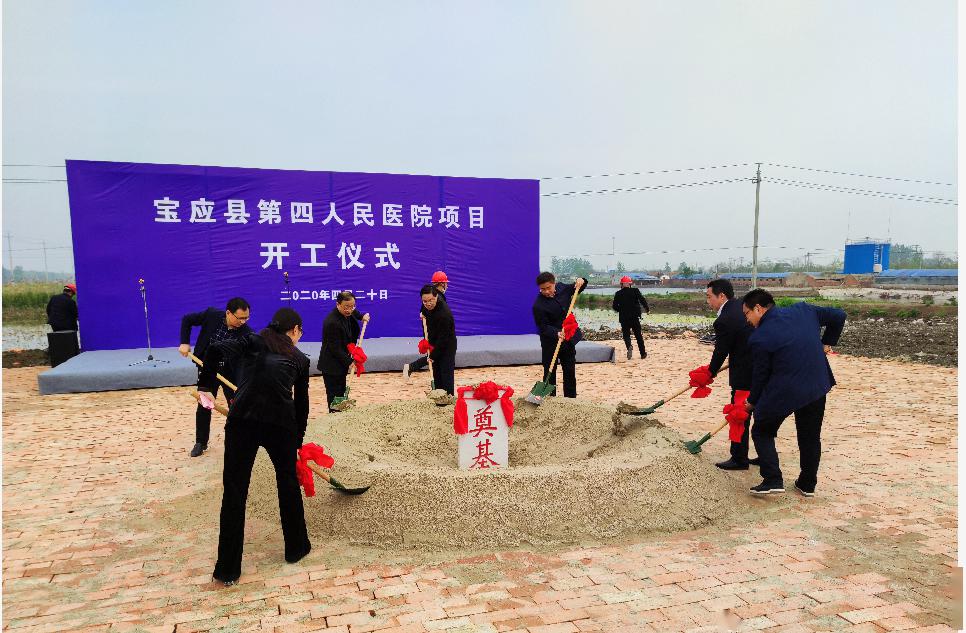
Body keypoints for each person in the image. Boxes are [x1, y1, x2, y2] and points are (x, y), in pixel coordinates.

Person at [196, 307, 311, 586]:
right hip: (279, 425)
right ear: (294, 330)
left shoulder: (252, 340)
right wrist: (297, 441)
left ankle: (227, 569)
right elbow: (301, 406)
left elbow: (212, 350)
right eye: (300, 332)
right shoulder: (299, 358)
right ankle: (296, 548)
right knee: (287, 487)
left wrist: (206, 386)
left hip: (242, 423)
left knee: (234, 493)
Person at [741, 289, 846, 496]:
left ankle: (773, 479)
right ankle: (807, 484)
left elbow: (761, 376)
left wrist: (752, 402)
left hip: (785, 390)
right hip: (816, 385)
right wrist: (827, 342)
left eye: (747, 314)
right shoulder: (804, 310)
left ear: (759, 309)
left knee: (762, 430)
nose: (747, 319)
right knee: (810, 436)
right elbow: (839, 315)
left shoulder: (759, 337)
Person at [179, 298, 252, 457]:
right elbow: (187, 319)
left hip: (230, 373)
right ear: (228, 313)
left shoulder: (247, 333)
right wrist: (185, 343)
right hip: (207, 369)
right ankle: (201, 442)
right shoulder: (212, 315)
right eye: (240, 318)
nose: (243, 321)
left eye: (246, 318)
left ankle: (238, 441)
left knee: (236, 406)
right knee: (204, 404)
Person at [703, 279, 754, 470]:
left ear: (721, 296)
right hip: (762, 369)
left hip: (745, 375)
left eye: (709, 297)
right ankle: (761, 455)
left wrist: (709, 373)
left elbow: (720, 352)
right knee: (761, 414)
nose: (708, 301)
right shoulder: (743, 307)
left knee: (739, 414)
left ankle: (739, 459)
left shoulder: (724, 319)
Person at [532, 272, 587, 398]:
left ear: (554, 283)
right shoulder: (538, 305)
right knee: (549, 372)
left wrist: (581, 280)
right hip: (550, 343)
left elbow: (579, 287)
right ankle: (549, 399)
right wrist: (556, 333)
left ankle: (571, 399)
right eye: (542, 289)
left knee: (569, 371)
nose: (546, 291)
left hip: (568, 339)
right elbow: (542, 326)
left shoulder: (563, 288)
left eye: (548, 288)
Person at [317, 292, 370, 412]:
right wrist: (349, 361)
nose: (349, 310)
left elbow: (353, 311)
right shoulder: (332, 322)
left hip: (340, 363)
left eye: (352, 306)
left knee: (341, 390)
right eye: (346, 307)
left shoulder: (347, 311)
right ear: (338, 305)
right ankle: (334, 417)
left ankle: (340, 415)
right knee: (334, 396)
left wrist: (361, 316)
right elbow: (335, 348)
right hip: (331, 364)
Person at [403, 271, 449, 378]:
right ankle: (411, 367)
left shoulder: (437, 295)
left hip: (435, 330)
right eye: (446, 283)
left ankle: (411, 367)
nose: (447, 285)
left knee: (436, 355)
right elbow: (424, 311)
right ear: (442, 284)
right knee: (435, 354)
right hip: (433, 331)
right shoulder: (435, 297)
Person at [420, 284, 458, 395]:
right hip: (434, 340)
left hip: (447, 345)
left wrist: (433, 355)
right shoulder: (425, 306)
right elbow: (423, 311)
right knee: (436, 372)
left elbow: (443, 339)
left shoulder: (444, 314)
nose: (428, 304)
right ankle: (438, 397)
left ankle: (448, 399)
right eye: (424, 301)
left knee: (445, 372)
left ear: (436, 297)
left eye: (430, 300)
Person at [612, 276, 650, 360]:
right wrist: (647, 309)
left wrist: (621, 310)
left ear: (621, 284)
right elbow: (642, 300)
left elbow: (614, 306)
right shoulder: (635, 291)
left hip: (624, 318)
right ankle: (643, 354)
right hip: (634, 317)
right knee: (638, 335)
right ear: (630, 284)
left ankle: (629, 346)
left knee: (626, 335)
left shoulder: (618, 293)